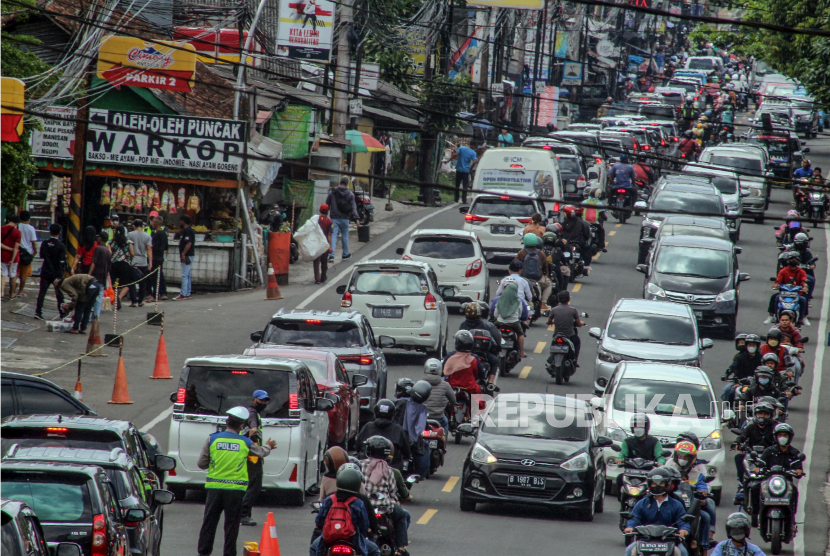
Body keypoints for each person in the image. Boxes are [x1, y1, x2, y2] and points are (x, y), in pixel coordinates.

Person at [196, 406, 276, 556]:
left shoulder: (212, 438)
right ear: (241, 426)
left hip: (214, 488)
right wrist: (269, 446)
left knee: (209, 523)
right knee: (231, 526)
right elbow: (261, 452)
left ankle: (204, 552)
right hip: (235, 491)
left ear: (226, 421)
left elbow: (201, 463)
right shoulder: (245, 442)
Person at [311, 466, 380, 556]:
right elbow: (364, 525)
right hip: (353, 539)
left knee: (313, 548)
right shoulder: (358, 503)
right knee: (375, 551)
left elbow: (319, 520)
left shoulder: (329, 499)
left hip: (329, 538)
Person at [624, 467, 690, 556]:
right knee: (629, 551)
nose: (657, 486)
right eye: (654, 483)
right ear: (649, 484)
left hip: (669, 540)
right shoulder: (642, 503)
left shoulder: (676, 504)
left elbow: (683, 520)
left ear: (667, 484)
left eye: (661, 483)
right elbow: (634, 518)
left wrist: (684, 529)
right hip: (645, 540)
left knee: (683, 553)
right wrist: (630, 526)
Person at [360, 437, 410, 554]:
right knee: (402, 515)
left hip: (364, 505)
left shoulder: (360, 465)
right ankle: (400, 548)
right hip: (385, 507)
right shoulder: (388, 469)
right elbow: (393, 492)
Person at [666, 440, 716, 552]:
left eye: (686, 457)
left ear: (692, 459)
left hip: (691, 506)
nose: (682, 459)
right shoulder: (669, 470)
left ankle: (702, 543)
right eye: (680, 456)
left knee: (705, 517)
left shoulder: (696, 474)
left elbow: (703, 485)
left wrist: (703, 492)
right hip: (673, 504)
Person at [240, 390, 271, 526]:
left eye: (265, 400)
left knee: (251, 485)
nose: (263, 403)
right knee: (254, 485)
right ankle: (244, 514)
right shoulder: (252, 412)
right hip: (250, 456)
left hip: (253, 455)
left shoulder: (253, 412)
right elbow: (252, 423)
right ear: (254, 400)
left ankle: (243, 514)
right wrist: (253, 428)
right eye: (261, 400)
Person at [356, 400, 411, 471]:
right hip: (392, 469)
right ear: (392, 414)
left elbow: (358, 447)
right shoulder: (398, 430)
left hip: (366, 469)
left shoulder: (367, 427)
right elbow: (406, 452)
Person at [457, 302, 501, 382]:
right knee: (495, 362)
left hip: (467, 354)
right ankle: (491, 382)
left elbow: (458, 341)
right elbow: (496, 341)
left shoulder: (463, 325)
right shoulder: (488, 325)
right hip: (483, 353)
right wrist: (497, 348)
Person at [765, 251, 809, 326]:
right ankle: (773, 316)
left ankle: (802, 318)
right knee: (775, 298)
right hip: (784, 293)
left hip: (796, 294)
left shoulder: (801, 272)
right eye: (792, 259)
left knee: (804, 300)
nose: (794, 261)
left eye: (796, 259)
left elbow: (804, 281)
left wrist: (805, 287)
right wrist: (776, 285)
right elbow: (778, 280)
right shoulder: (783, 271)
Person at [399, 380, 431, 479]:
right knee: (424, 446)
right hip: (411, 440)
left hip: (397, 436)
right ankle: (421, 474)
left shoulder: (399, 402)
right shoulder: (422, 409)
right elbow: (421, 428)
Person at [34, 224, 67, 320]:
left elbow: (41, 255)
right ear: (60, 233)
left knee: (42, 293)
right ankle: (62, 312)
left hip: (45, 271)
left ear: (50, 232)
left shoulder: (44, 243)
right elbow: (62, 261)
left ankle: (38, 311)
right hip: (56, 273)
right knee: (59, 294)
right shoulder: (61, 246)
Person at [325, 177, 359, 262]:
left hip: (334, 218)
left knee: (333, 235)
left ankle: (331, 255)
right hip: (345, 219)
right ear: (347, 184)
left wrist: (325, 216)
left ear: (340, 182)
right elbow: (354, 208)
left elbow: (327, 205)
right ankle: (345, 254)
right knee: (344, 236)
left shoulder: (332, 192)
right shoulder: (351, 194)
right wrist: (356, 218)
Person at [442, 330, 484, 399]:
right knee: (479, 404)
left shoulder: (450, 356)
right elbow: (480, 373)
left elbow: (443, 371)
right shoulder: (474, 357)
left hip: (451, 387)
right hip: (470, 388)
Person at [515, 232, 552, 308]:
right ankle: (543, 303)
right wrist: (545, 275)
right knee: (549, 284)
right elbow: (545, 267)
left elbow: (515, 264)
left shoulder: (521, 253)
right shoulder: (541, 253)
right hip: (538, 279)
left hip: (524, 278)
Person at [546, 290, 584, 362]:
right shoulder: (573, 310)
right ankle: (575, 359)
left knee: (553, 343)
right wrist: (582, 323)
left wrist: (551, 322)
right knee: (577, 342)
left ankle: (551, 356)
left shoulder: (554, 310)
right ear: (569, 299)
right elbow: (579, 324)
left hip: (557, 334)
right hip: (570, 335)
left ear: (558, 299)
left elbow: (548, 322)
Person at [491, 283, 528, 358]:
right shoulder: (518, 301)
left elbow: (495, 314)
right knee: (520, 334)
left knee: (492, 332)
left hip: (500, 322)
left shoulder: (499, 300)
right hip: (514, 323)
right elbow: (520, 314)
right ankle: (522, 352)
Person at [723, 334, 762, 402]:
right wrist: (727, 374)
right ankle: (729, 408)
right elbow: (733, 366)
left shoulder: (761, 358)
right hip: (740, 382)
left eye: (753, 345)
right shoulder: (740, 357)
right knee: (728, 390)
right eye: (750, 345)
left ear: (757, 346)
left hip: (756, 384)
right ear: (746, 346)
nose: (751, 347)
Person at [421, 358, 455, 434]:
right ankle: (444, 442)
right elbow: (453, 400)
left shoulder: (419, 384)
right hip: (439, 417)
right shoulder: (445, 385)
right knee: (445, 423)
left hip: (423, 417)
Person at [108, 225, 135, 309]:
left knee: (115, 283)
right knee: (127, 283)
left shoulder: (111, 242)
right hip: (125, 265)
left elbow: (109, 252)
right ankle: (119, 297)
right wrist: (130, 260)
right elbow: (132, 253)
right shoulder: (128, 242)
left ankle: (116, 297)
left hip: (114, 265)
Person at [87, 232, 111, 325]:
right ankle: (96, 316)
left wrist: (89, 275)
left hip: (95, 276)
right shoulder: (108, 251)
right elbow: (109, 268)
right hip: (102, 277)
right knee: (99, 298)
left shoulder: (98, 249)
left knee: (89, 297)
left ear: (100, 239)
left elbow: (94, 263)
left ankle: (88, 317)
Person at [127, 220, 152, 307]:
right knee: (143, 282)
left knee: (132, 281)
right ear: (142, 226)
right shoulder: (147, 236)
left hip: (134, 261)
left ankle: (133, 301)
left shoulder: (130, 234)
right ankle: (141, 300)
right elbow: (149, 249)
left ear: (134, 226)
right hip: (143, 261)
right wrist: (150, 262)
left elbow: (129, 248)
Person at [15, 211, 38, 298]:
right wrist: (35, 252)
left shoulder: (17, 226)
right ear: (29, 218)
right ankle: (20, 291)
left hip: (17, 251)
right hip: (27, 253)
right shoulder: (31, 228)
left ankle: (12, 290)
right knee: (24, 274)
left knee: (15, 272)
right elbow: (33, 242)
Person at [175, 214, 195, 300]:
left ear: (183, 221)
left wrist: (183, 254)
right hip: (189, 254)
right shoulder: (186, 230)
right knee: (188, 275)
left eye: (181, 220)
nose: (180, 222)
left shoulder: (188, 231)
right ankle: (187, 292)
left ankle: (183, 293)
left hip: (187, 255)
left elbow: (189, 243)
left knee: (185, 275)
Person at [792, 232, 817, 301]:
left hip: (803, 273)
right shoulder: (791, 252)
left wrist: (810, 266)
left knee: (811, 279)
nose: (800, 246)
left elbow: (812, 264)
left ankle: (808, 296)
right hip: (792, 272)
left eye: (802, 244)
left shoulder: (807, 253)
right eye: (799, 244)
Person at [1, 214, 21, 299]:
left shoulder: (1, 229)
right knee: (13, 275)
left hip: (2, 255)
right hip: (14, 258)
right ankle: (12, 293)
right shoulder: (18, 232)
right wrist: (12, 259)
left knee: (2, 274)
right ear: (17, 223)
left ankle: (1, 292)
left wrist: (8, 248)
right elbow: (16, 248)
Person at [313, 204, 334, 283]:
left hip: (316, 242)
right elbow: (329, 234)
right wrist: (330, 246)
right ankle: (323, 276)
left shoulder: (316, 220)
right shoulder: (330, 222)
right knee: (324, 261)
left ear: (319, 210)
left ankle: (317, 279)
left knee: (316, 261)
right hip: (324, 244)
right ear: (328, 211)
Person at [149, 216, 168, 301]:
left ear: (156, 223)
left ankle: (155, 295)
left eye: (153, 222)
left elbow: (154, 247)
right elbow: (166, 247)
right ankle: (162, 292)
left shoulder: (157, 234)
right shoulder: (164, 234)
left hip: (155, 257)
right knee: (160, 276)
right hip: (161, 257)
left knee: (155, 277)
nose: (152, 224)